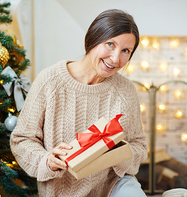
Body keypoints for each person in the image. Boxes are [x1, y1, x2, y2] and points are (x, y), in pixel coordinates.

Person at [10, 9, 148, 197]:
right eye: (110, 44)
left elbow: (139, 146)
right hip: (61, 190)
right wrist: (46, 160)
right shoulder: (50, 81)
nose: (116, 59)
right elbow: (21, 139)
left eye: (125, 51)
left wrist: (118, 153)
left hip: (112, 188)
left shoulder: (126, 91)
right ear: (93, 39)